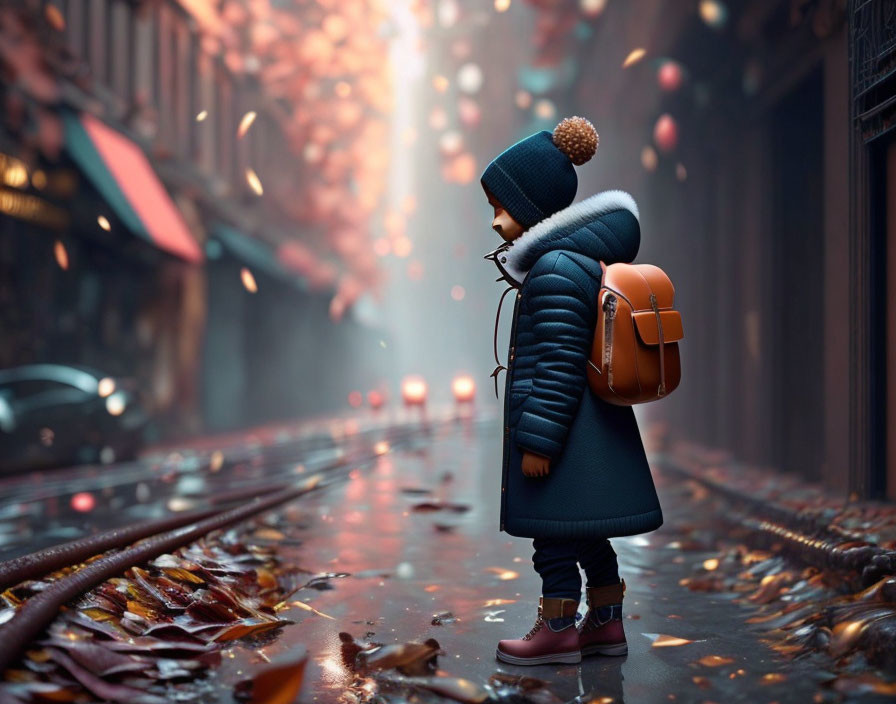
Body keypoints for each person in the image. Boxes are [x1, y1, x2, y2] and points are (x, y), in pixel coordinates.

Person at [480, 116, 664, 666]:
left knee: (554, 540)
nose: (494, 223)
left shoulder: (555, 268)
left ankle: (558, 627)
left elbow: (556, 361)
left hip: (563, 434)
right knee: (585, 533)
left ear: (533, 208)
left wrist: (538, 440)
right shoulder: (570, 260)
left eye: (501, 207)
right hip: (582, 430)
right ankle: (605, 624)